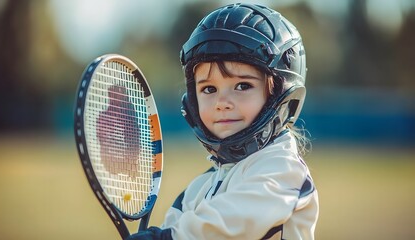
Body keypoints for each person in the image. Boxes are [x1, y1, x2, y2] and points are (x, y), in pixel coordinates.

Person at [127, 3, 319, 240]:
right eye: (208, 89)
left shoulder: (282, 170)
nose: (222, 102)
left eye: (242, 86)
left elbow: (234, 220)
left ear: (280, 97)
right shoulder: (198, 189)